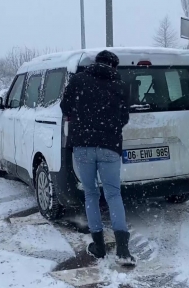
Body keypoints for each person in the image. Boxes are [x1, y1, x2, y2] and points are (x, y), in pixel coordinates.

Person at [60, 50, 136, 266]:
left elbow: (65, 107)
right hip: (109, 146)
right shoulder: (121, 85)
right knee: (113, 194)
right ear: (113, 66)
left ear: (96, 63)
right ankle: (122, 249)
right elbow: (124, 117)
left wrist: (83, 119)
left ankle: (99, 246)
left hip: (82, 145)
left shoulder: (78, 80)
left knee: (91, 194)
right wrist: (108, 129)